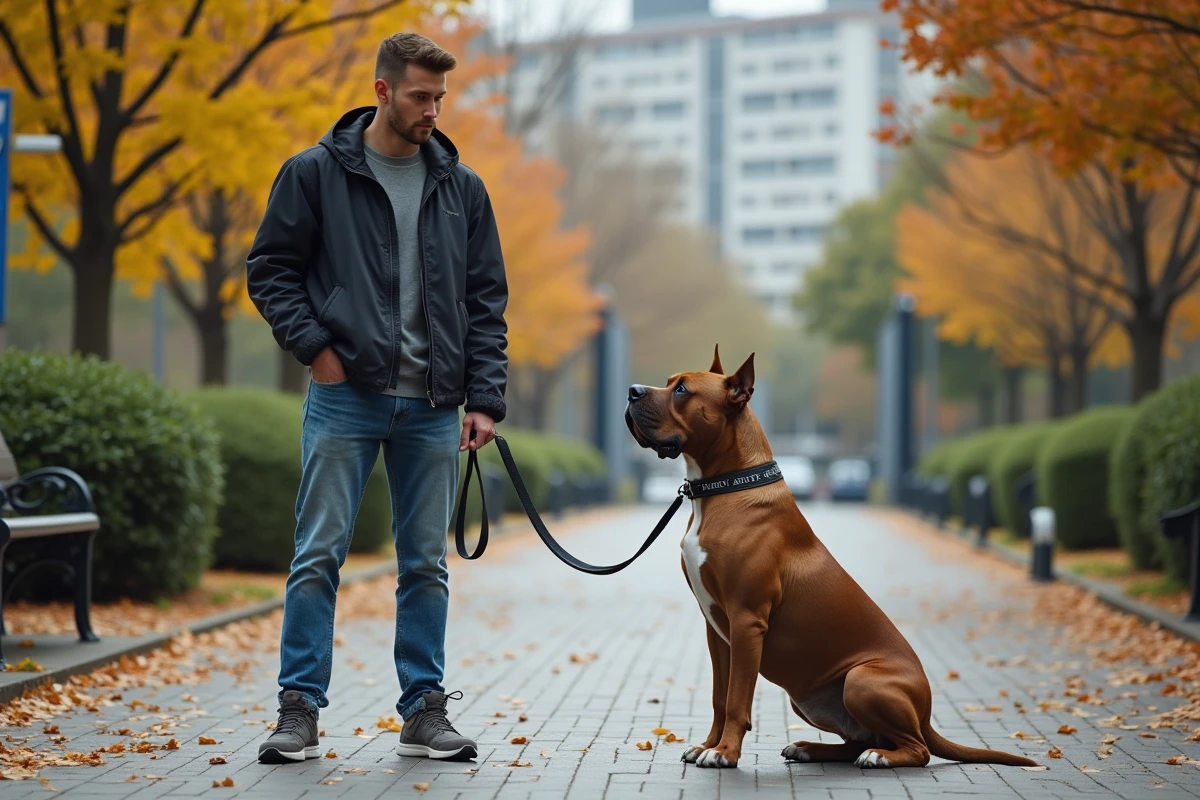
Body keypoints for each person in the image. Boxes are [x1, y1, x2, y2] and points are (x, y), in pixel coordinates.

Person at [245, 31, 508, 764]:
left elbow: (485, 299)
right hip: (345, 397)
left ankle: (424, 709)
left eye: (440, 98)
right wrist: (317, 351)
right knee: (318, 555)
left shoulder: (462, 188)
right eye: (421, 96)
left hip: (433, 405)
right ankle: (298, 708)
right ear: (383, 91)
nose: (433, 111)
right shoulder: (314, 174)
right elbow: (270, 270)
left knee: (424, 563)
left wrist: (485, 398)